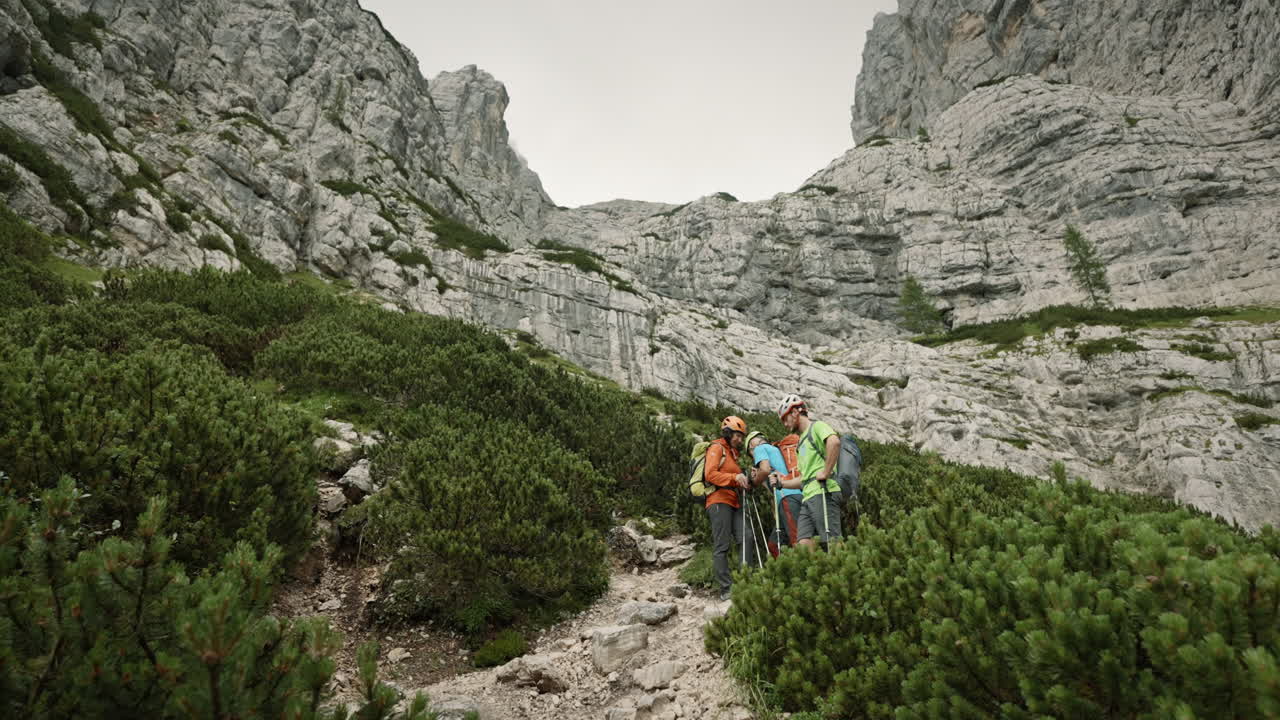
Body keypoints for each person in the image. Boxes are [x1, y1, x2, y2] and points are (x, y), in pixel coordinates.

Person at [776, 394, 841, 550]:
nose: (785, 424)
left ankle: (847, 572)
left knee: (833, 541)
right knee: (804, 544)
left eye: (785, 418)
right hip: (808, 496)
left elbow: (834, 442)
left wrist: (825, 472)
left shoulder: (817, 427)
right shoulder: (800, 443)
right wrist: (782, 483)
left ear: (795, 412)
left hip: (823, 491)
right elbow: (804, 478)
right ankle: (821, 573)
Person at [705, 415, 753, 600]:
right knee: (722, 545)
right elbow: (710, 474)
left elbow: (734, 478)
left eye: (742, 436)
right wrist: (734, 478)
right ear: (727, 432)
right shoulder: (716, 448)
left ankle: (745, 582)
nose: (740, 440)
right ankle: (726, 589)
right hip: (718, 501)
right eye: (737, 435)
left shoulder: (733, 454)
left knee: (746, 537)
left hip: (734, 501)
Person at [745, 431, 801, 552]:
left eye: (750, 452)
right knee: (774, 545)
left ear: (751, 445)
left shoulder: (759, 448)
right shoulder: (776, 450)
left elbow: (764, 470)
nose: (752, 455)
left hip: (787, 497)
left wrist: (753, 482)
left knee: (797, 540)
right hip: (795, 494)